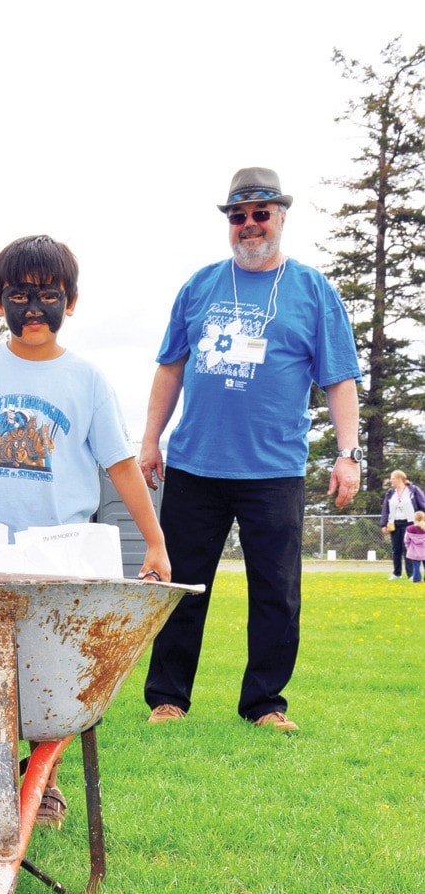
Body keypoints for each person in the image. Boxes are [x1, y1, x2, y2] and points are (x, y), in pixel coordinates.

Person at [0, 234, 170, 825]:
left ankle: (40, 779)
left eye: (48, 295)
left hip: (60, 555)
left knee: (48, 670)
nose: (34, 308)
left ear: (71, 302)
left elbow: (121, 466)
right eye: (18, 295)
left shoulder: (86, 380)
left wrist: (154, 540)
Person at [138, 167, 362, 732]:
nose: (249, 225)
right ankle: (168, 698)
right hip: (195, 463)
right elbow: (170, 367)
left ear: (281, 217)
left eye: (261, 213)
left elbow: (339, 378)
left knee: (276, 593)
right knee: (180, 587)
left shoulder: (313, 290)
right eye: (238, 215)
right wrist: (150, 440)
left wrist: (348, 452)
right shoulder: (200, 285)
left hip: (273, 468)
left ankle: (265, 704)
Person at [380, 470, 425, 580]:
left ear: (400, 479)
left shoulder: (413, 490)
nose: (391, 480)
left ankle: (411, 574)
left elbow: (423, 505)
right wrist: (384, 524)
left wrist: (422, 521)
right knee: (396, 549)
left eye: (392, 478)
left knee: (409, 549)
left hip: (410, 523)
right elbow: (385, 509)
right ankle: (397, 573)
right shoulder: (390, 493)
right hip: (395, 524)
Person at [404, 511, 425, 584]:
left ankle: (417, 580)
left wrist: (408, 548)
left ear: (414, 519)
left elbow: (406, 540)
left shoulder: (409, 529)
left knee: (416, 567)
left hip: (414, 551)